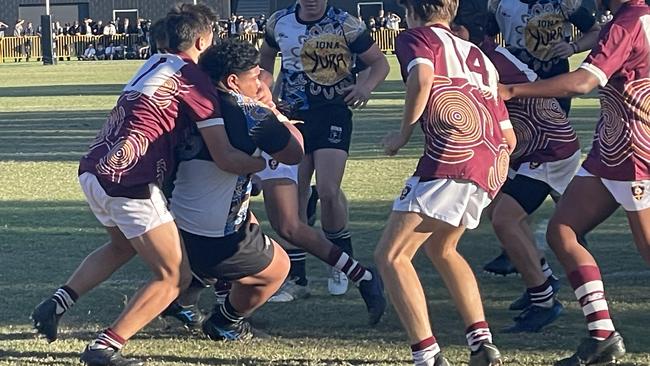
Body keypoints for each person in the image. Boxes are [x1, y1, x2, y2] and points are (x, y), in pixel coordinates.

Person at [31, 5, 221, 365]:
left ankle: (57, 303)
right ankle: (104, 347)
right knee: (172, 277)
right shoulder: (192, 76)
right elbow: (218, 134)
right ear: (201, 40)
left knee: (121, 246)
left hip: (95, 167)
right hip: (129, 176)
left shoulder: (152, 62)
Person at [499, 0, 649, 363]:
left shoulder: (629, 22)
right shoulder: (634, 18)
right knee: (562, 231)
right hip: (610, 150)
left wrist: (514, 91)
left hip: (633, 152)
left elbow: (583, 82)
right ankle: (602, 336)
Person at [374, 0, 517, 364]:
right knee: (443, 248)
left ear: (412, 11)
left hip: (454, 153)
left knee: (391, 256)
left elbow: (422, 79)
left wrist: (403, 134)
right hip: (493, 160)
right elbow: (510, 137)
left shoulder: (416, 37)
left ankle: (427, 355)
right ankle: (482, 344)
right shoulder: (478, 55)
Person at [453, 10, 582, 333]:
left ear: (461, 31)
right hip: (536, 146)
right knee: (499, 210)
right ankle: (542, 279)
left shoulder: (479, 61)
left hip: (547, 148)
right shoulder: (483, 54)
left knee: (505, 218)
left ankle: (544, 300)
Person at [260, 0, 389, 296]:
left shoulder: (346, 23)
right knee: (298, 194)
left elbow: (379, 63)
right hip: (294, 115)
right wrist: (265, 92)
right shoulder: (278, 22)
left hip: (333, 113)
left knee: (329, 191)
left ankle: (340, 259)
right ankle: (296, 277)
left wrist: (364, 88)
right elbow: (265, 60)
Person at [170, 39, 297, 341]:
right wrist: (275, 113)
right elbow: (294, 153)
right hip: (211, 234)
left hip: (170, 223)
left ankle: (183, 296)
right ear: (232, 81)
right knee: (278, 267)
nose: (260, 80)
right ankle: (225, 322)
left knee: (247, 218)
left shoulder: (189, 101)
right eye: (254, 76)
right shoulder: (251, 113)